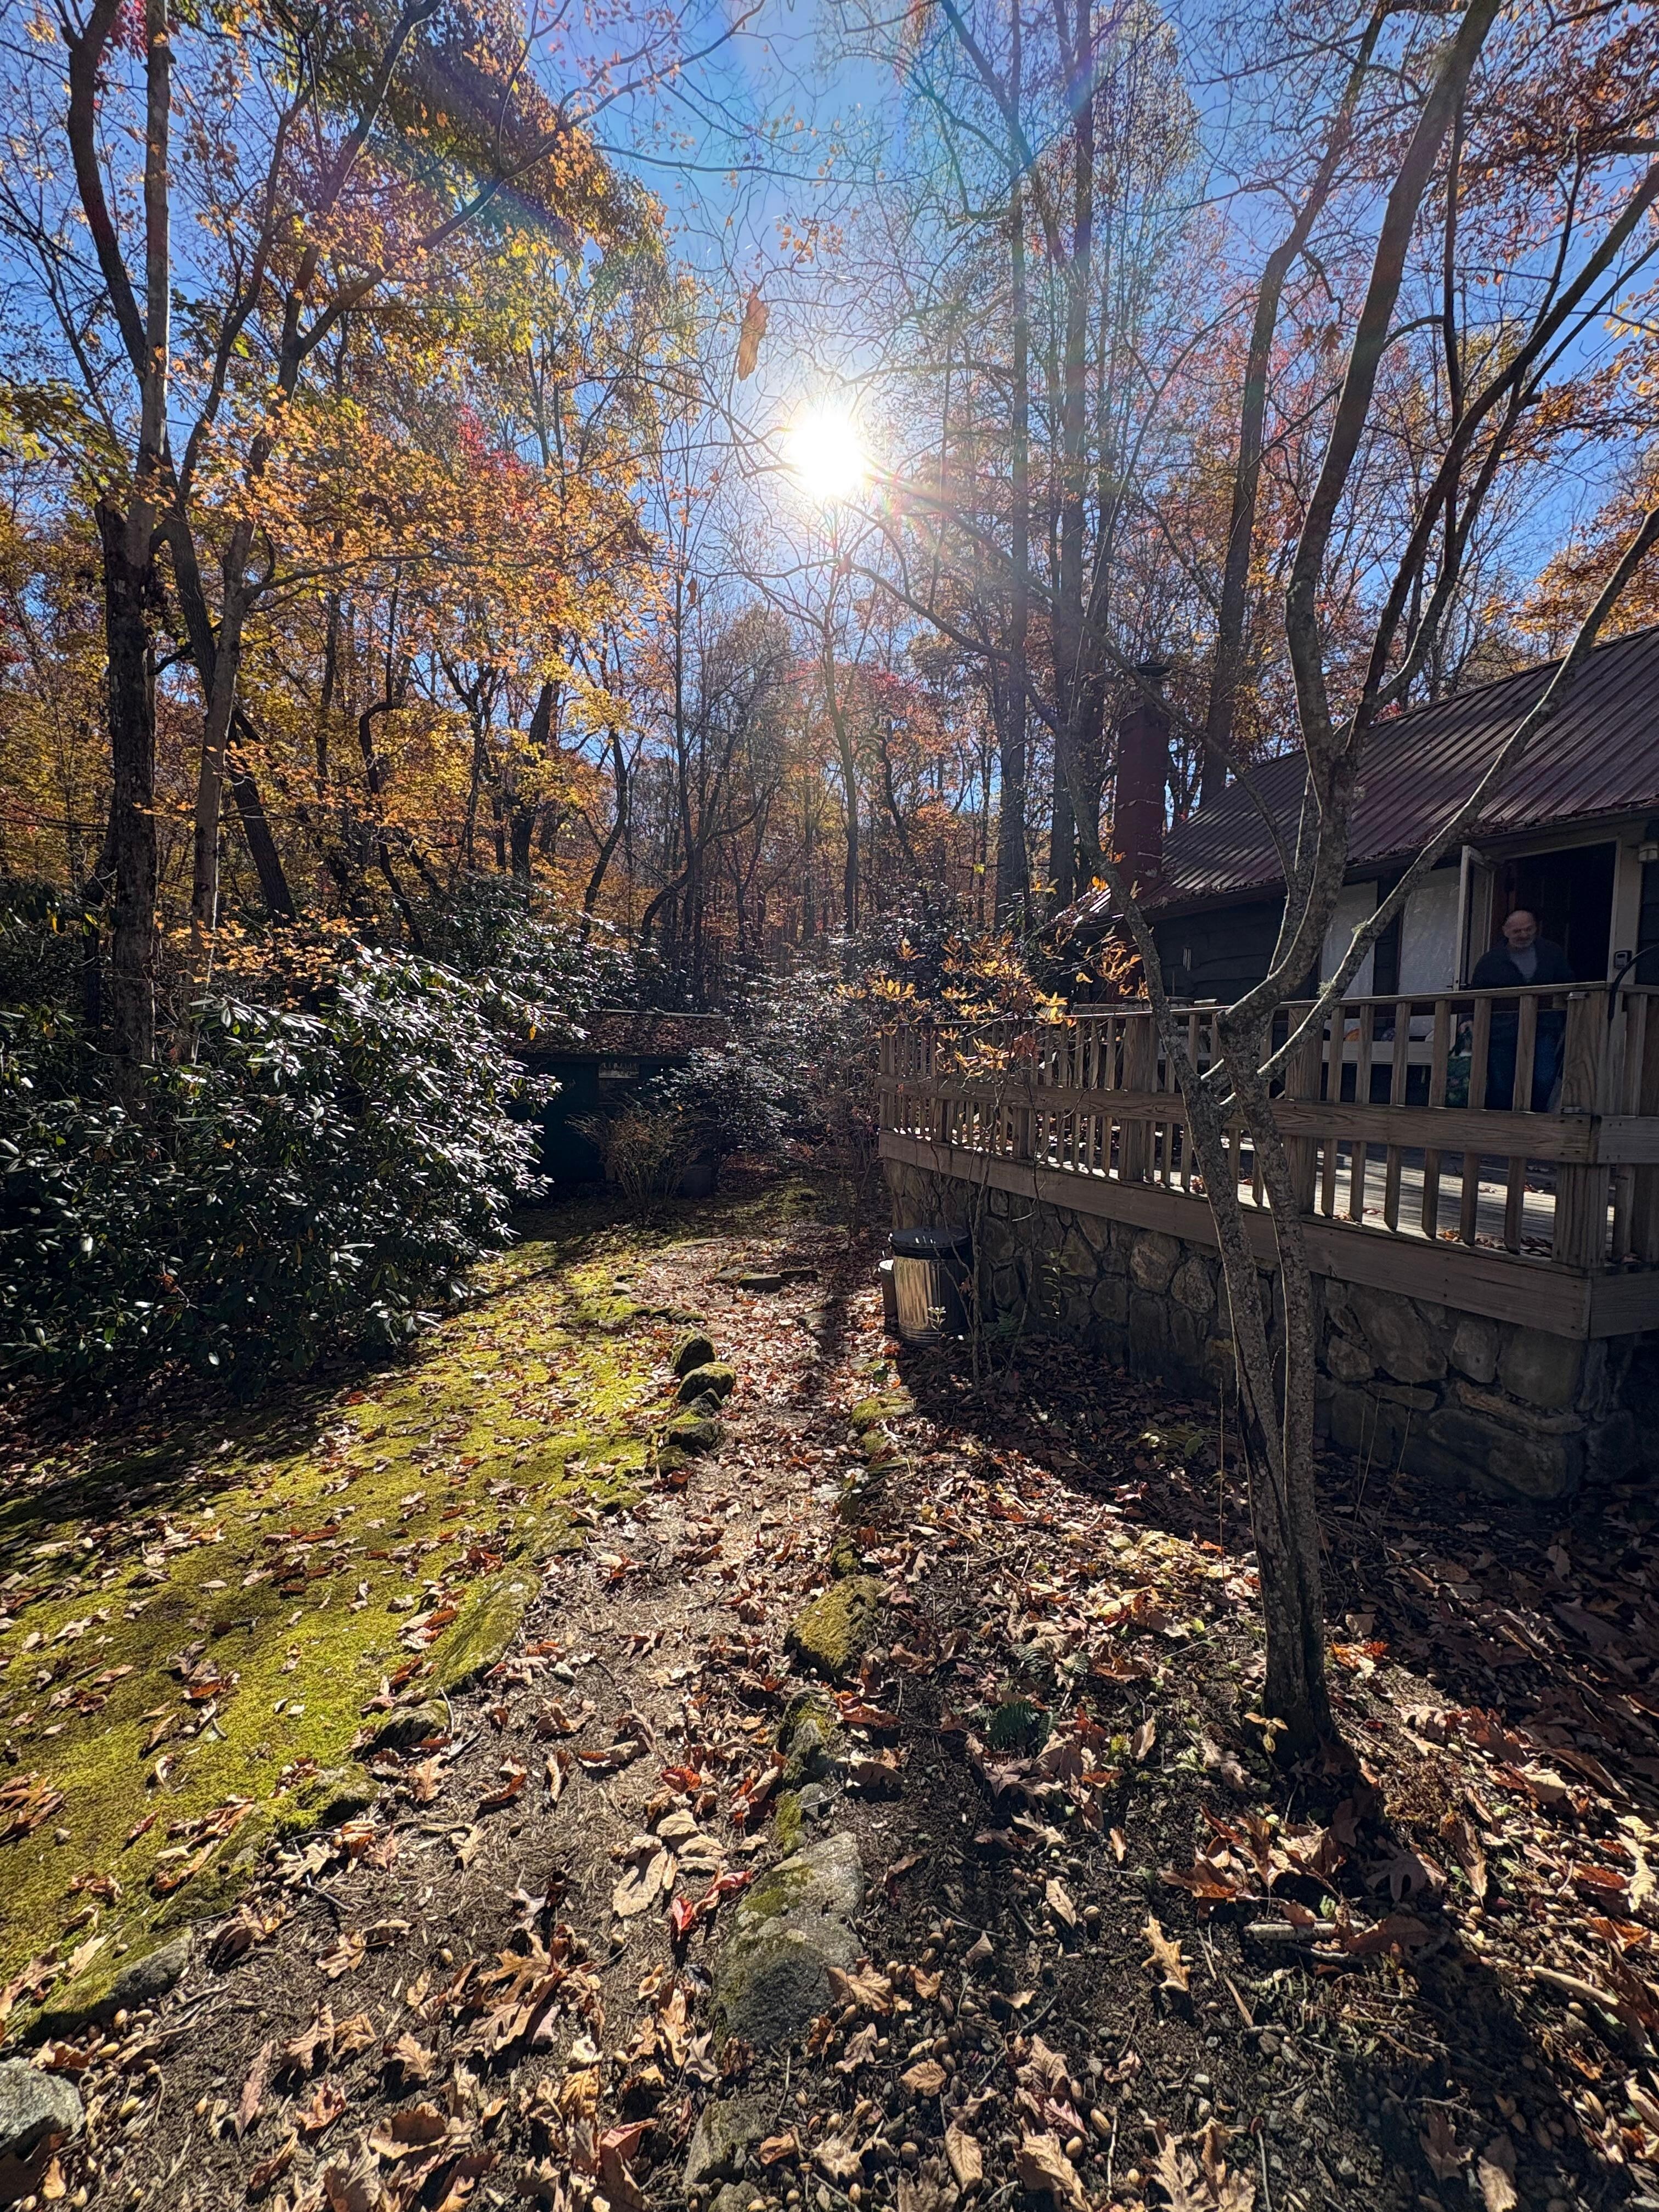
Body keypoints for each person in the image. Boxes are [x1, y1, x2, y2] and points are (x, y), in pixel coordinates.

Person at [1470, 909, 1573, 1110]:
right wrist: (1469, 1019)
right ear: (1505, 931)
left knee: (1544, 1079)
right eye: (1517, 931)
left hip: (1543, 1029)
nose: (1524, 935)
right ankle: (1503, 1129)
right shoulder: (1490, 961)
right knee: (1502, 1085)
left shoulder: (1552, 953)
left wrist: (1564, 1017)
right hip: (1502, 1032)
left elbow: (1568, 985)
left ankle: (1535, 1123)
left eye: (1529, 929)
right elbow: (1475, 995)